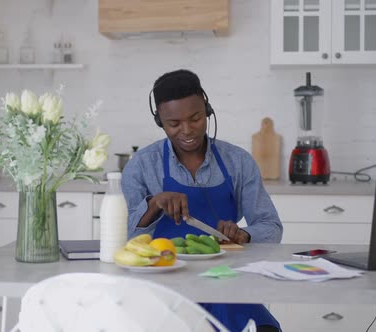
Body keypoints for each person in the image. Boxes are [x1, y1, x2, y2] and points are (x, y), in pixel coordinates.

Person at [121, 69, 283, 332]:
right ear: (159, 122)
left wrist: (244, 234)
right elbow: (126, 239)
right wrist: (154, 205)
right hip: (164, 285)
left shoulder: (238, 161)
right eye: (174, 123)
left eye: (195, 118)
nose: (187, 130)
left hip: (225, 283)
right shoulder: (141, 166)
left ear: (207, 109)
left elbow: (271, 226)